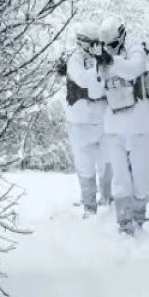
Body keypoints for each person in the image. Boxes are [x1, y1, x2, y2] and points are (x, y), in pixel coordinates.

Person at [96, 16, 149, 235]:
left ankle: (139, 216)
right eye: (105, 46)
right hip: (114, 128)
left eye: (112, 45)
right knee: (120, 179)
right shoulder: (102, 60)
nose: (109, 50)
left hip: (139, 125)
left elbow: (134, 69)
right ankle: (124, 224)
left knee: (141, 180)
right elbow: (95, 90)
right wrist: (98, 65)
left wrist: (112, 61)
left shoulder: (135, 51)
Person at [61, 23, 112, 215]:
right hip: (80, 121)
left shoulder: (101, 57)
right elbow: (84, 81)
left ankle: (107, 200)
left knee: (108, 161)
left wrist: (103, 60)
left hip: (102, 119)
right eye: (93, 43)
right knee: (85, 165)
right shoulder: (74, 60)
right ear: (82, 43)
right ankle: (89, 206)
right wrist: (99, 65)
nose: (96, 46)